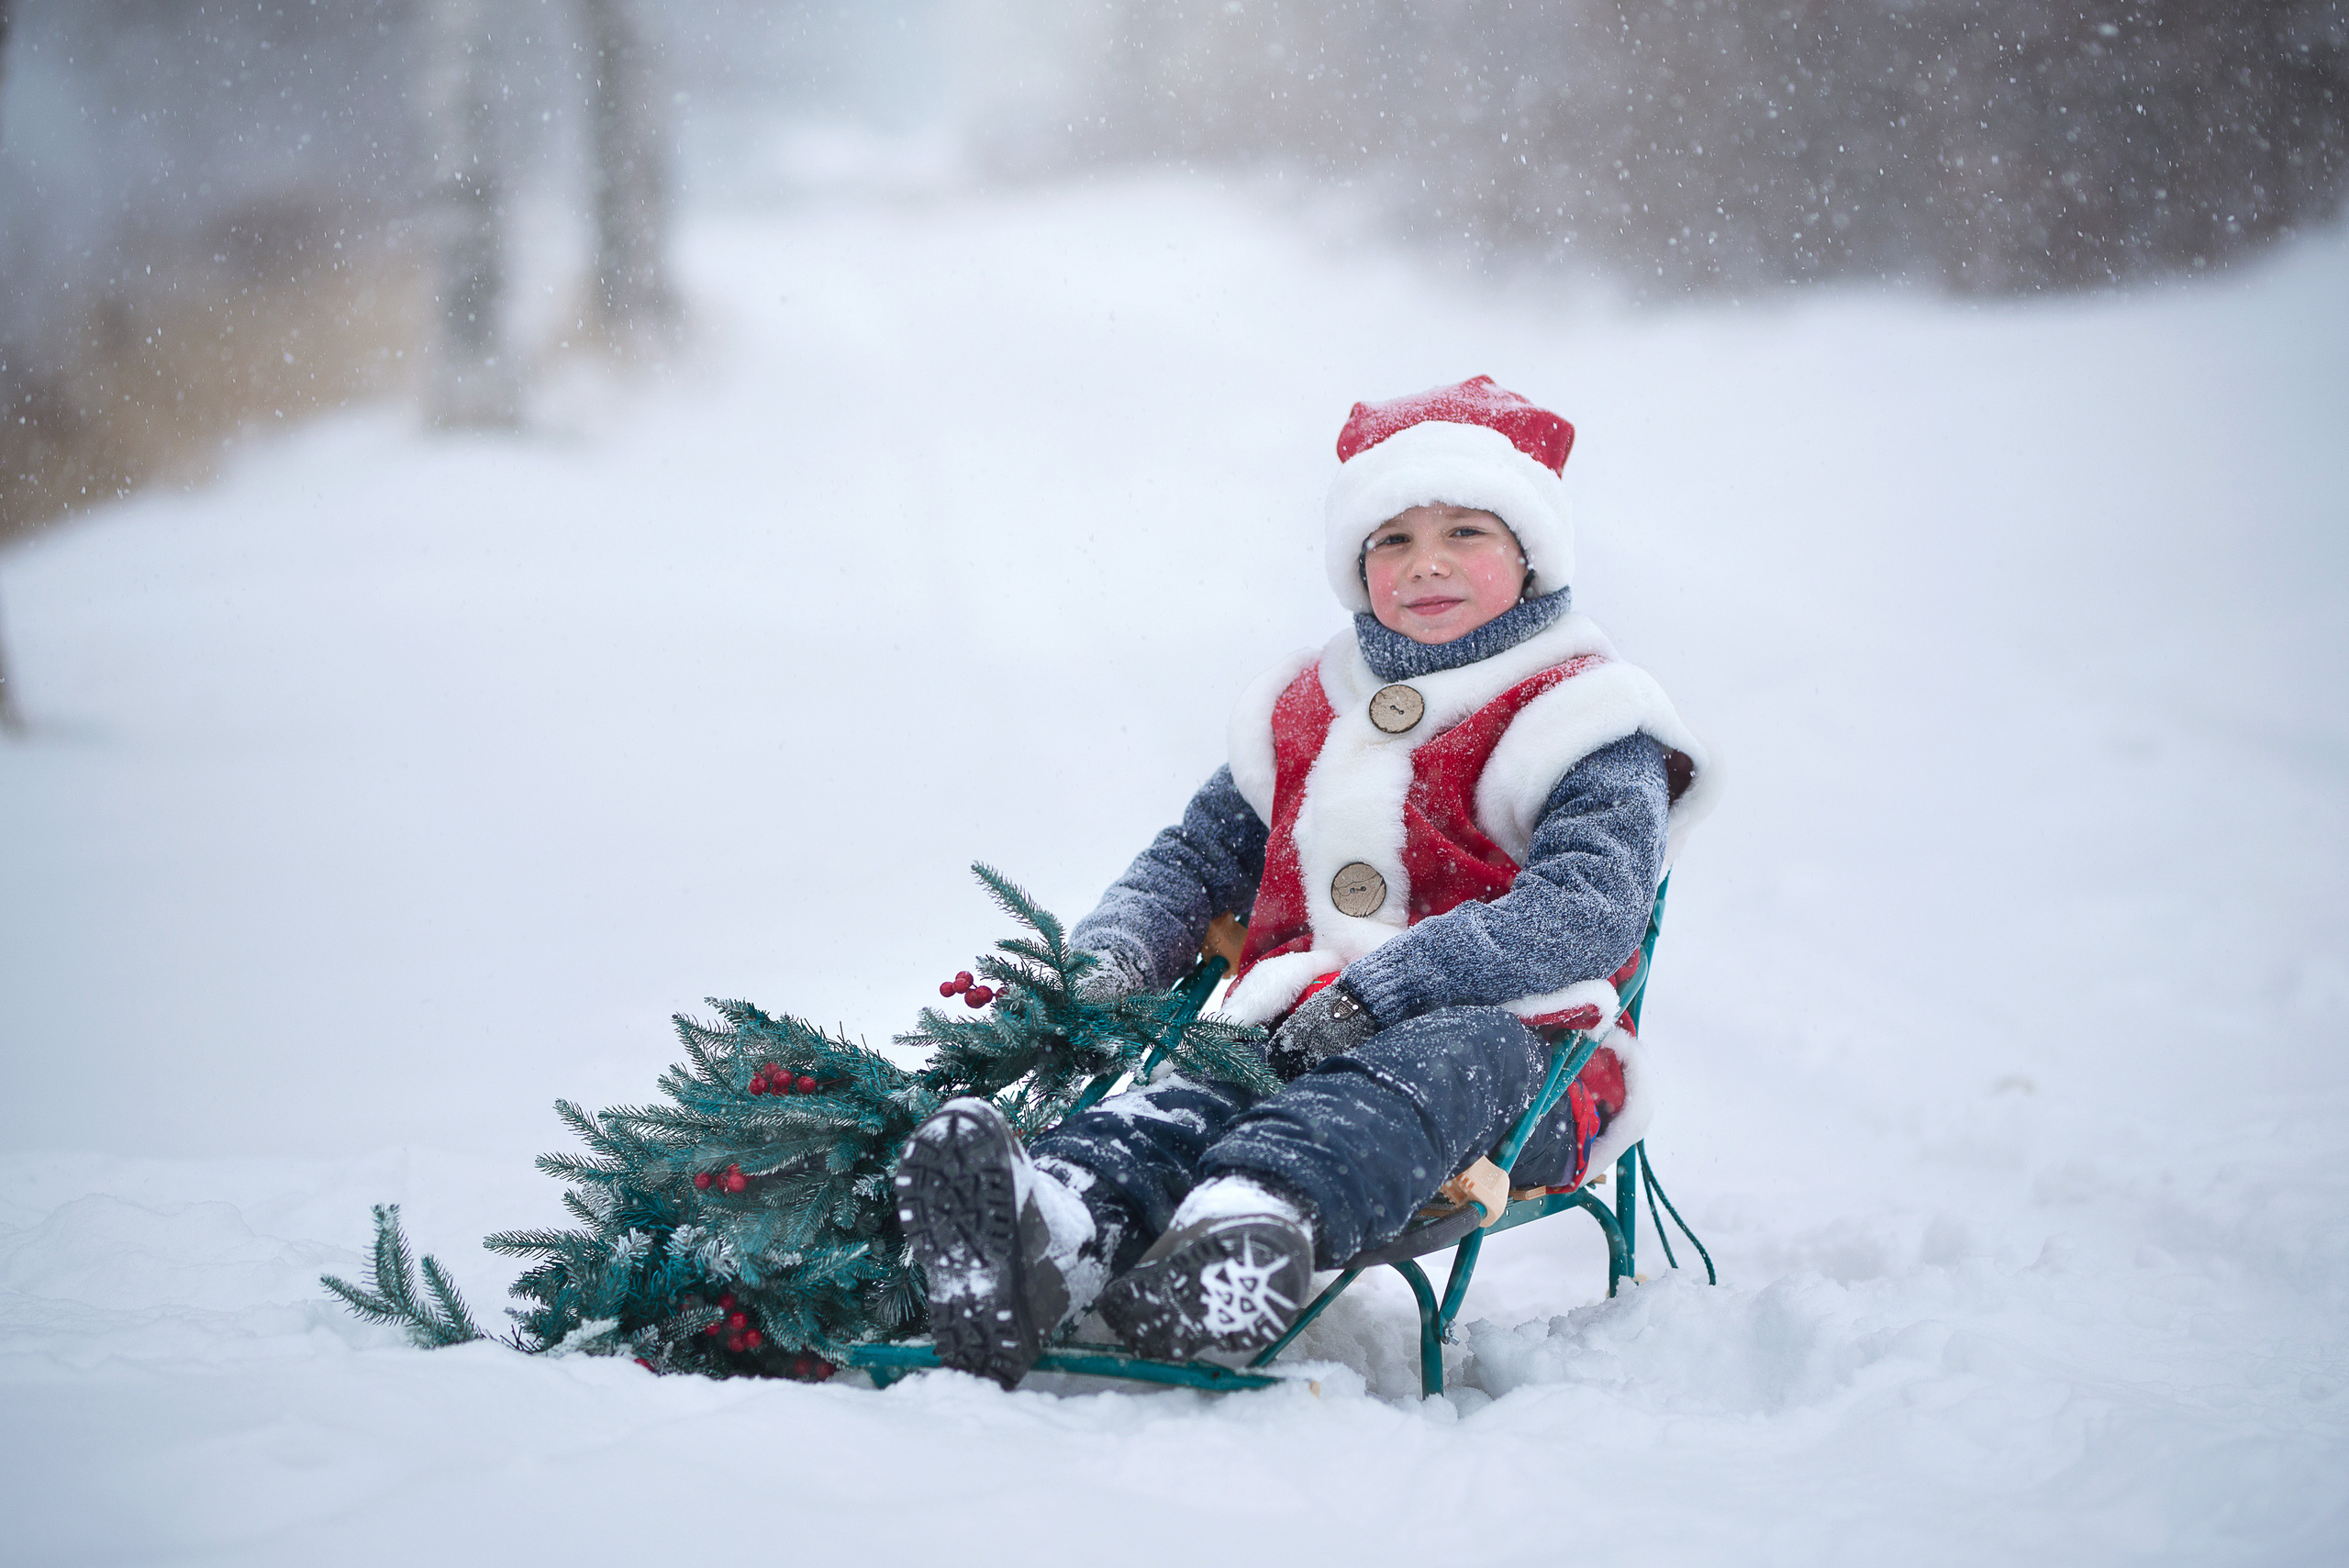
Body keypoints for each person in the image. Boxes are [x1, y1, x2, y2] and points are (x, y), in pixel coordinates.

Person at [895, 376, 1717, 1388]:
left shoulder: (1585, 715)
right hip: (1290, 1031)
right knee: (1187, 1093)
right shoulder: (1306, 705)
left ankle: (1244, 1239)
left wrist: (1393, 986)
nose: (1426, 564)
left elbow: (1585, 908)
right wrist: (1109, 955)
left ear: (1532, 552)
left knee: (1422, 1068)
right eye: (1391, 540)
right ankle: (1045, 1228)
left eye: (1465, 531)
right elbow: (1193, 861)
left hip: (1523, 1057)